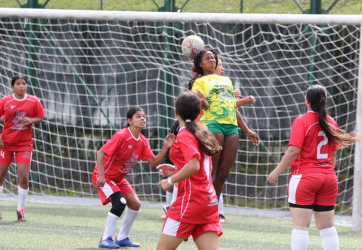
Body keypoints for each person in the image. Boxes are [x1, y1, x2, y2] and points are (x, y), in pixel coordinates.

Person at [267, 84, 359, 250]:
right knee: (327, 228)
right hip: (329, 178)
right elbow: (332, 155)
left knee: (301, 226)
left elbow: (293, 150)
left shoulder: (301, 121)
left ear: (306, 101)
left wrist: (276, 171)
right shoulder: (331, 122)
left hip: (305, 178)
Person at [189, 49, 260, 219]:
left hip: (231, 127)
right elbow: (204, 107)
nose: (212, 59)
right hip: (212, 124)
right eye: (208, 58)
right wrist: (202, 101)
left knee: (223, 173)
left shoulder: (226, 80)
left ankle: (210, 209)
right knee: (209, 171)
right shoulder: (199, 82)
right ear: (200, 63)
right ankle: (193, 207)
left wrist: (247, 130)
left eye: (214, 57)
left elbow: (231, 106)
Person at [92, 106, 175, 249]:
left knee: (135, 204)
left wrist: (165, 147)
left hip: (118, 179)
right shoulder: (122, 135)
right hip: (105, 177)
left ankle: (122, 238)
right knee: (120, 202)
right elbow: (100, 153)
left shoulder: (142, 140)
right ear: (129, 121)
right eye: (138, 116)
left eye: (144, 116)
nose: (143, 119)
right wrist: (101, 175)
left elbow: (154, 162)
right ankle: (105, 239)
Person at [156, 91, 222, 250]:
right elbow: (201, 166)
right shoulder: (201, 130)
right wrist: (176, 169)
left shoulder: (185, 133)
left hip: (190, 202)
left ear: (175, 112)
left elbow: (194, 166)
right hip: (209, 201)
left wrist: (170, 181)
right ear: (199, 111)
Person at [0, 76, 45, 222]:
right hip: (6, 144)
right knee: (0, 175)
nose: (22, 86)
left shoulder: (34, 101)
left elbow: (40, 117)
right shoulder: (5, 101)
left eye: (24, 83)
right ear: (12, 87)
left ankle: (20, 209)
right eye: (18, 84)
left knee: (23, 177)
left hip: (24, 144)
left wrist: (31, 120)